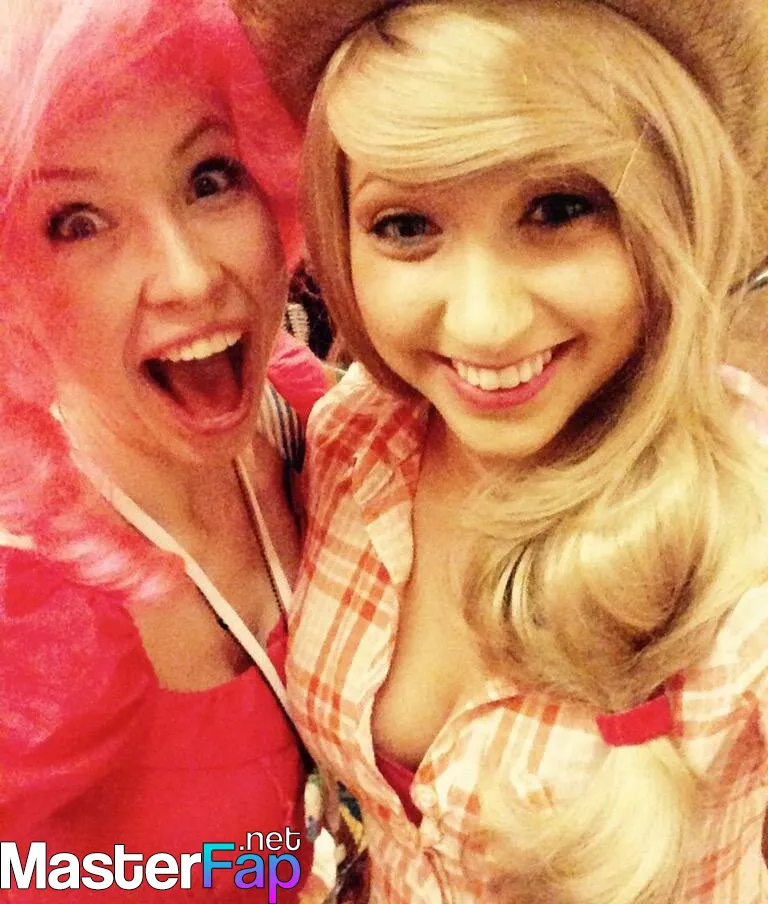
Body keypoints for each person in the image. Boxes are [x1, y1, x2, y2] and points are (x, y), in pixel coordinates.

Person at [234, 0, 768, 900]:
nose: (483, 322)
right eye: (407, 226)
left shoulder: (747, 574)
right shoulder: (356, 437)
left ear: (673, 210)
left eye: (557, 209)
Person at [0, 0, 331, 900]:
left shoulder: (301, 406)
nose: (189, 277)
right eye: (78, 222)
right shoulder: (28, 626)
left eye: (210, 178)